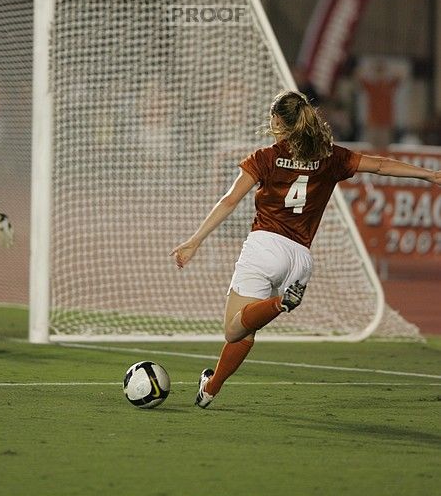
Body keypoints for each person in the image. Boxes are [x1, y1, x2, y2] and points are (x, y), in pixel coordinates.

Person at [170, 90, 441, 408]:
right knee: (248, 328)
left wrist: (195, 240)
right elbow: (379, 166)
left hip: (264, 246)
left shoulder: (265, 158)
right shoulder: (331, 157)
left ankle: (280, 303)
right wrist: (428, 175)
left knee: (235, 331)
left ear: (276, 121)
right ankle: (210, 389)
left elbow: (229, 200)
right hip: (300, 260)